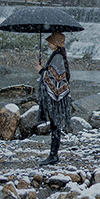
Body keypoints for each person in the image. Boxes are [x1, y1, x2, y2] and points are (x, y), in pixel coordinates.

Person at [35, 32, 71, 165]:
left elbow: (56, 78)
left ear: (56, 43)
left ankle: (53, 155)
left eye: (50, 42)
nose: (48, 44)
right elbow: (52, 72)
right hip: (56, 98)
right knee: (55, 124)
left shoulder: (58, 57)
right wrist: (44, 68)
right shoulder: (57, 55)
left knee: (55, 125)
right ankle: (53, 154)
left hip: (57, 99)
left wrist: (41, 70)